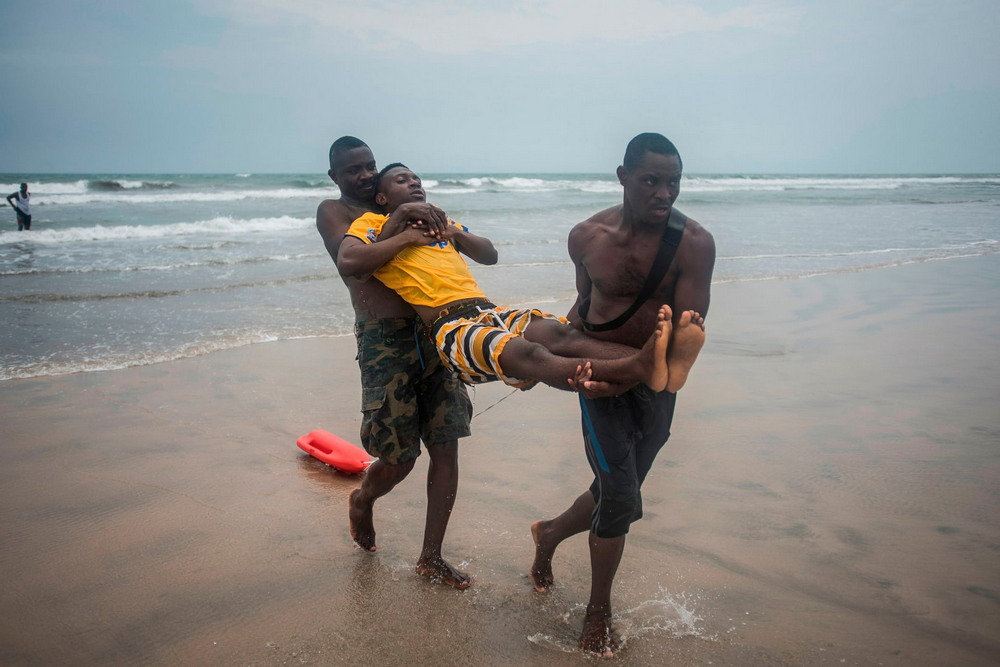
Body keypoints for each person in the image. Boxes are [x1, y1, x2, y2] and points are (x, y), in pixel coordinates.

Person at [529, 133, 716, 657]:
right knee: (621, 499)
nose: (665, 193)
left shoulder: (694, 243)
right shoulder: (587, 237)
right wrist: (561, 359)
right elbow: (584, 305)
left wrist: (646, 367)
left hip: (658, 380)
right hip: (599, 380)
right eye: (652, 181)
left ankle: (547, 535)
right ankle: (597, 614)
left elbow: (683, 331)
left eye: (674, 182)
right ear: (623, 176)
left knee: (618, 489)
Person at [338, 163, 706, 395]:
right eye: (402, 181)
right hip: (449, 326)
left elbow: (489, 255)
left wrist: (454, 232)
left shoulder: (439, 223)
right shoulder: (371, 225)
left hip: (487, 310)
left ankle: (659, 364)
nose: (414, 183)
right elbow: (351, 261)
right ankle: (641, 367)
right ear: (384, 197)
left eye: (416, 178)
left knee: (559, 333)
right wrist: (402, 228)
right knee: (530, 354)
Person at [316, 136, 474, 590]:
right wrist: (404, 227)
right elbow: (354, 265)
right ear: (335, 177)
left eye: (369, 167)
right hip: (384, 339)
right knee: (399, 456)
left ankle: (432, 557)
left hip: (432, 330)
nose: (364, 176)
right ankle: (364, 498)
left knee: (447, 441)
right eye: (353, 170)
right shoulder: (337, 212)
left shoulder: (400, 204)